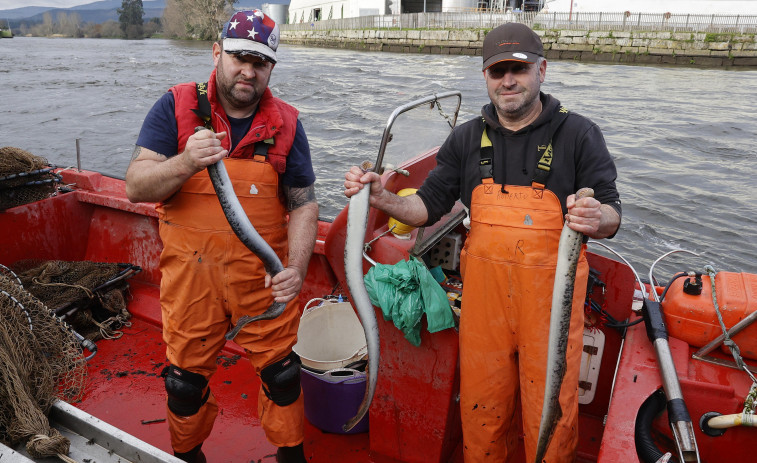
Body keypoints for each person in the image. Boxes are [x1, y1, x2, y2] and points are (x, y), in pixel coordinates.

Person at [344, 22, 621, 462]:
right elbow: (428, 208)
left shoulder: (579, 135)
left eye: (518, 68)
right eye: (497, 71)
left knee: (552, 416)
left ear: (542, 70)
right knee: (482, 413)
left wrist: (596, 216)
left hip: (550, 313)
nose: (508, 80)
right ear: (486, 78)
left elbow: (611, 213)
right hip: (484, 311)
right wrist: (381, 198)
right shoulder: (466, 138)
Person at [125, 10, 318, 463]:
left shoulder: (287, 123)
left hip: (262, 281)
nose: (248, 70)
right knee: (184, 386)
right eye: (238, 57)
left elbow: (305, 203)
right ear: (217, 53)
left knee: (286, 377)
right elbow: (136, 185)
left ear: (272, 67)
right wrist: (185, 162)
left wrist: (297, 267)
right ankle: (188, 455)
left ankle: (292, 455)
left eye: (260, 61)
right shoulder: (174, 107)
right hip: (192, 283)